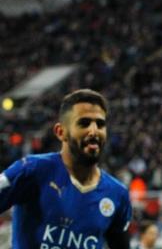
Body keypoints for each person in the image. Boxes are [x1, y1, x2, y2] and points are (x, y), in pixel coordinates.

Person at [0, 89, 132, 248]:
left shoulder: (117, 194)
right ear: (61, 132)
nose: (94, 130)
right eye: (84, 123)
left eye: (100, 124)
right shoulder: (31, 170)